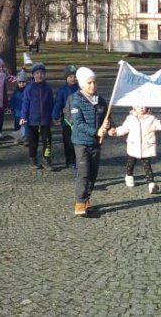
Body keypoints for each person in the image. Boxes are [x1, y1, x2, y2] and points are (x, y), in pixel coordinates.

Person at [70, 67, 110, 217]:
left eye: (94, 82)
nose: (93, 86)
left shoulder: (101, 101)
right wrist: (96, 132)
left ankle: (86, 198)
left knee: (93, 173)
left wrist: (110, 127)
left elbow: (107, 118)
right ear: (82, 84)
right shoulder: (76, 101)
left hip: (96, 143)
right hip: (81, 142)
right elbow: (78, 123)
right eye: (89, 83)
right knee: (84, 172)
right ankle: (79, 202)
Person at [109, 105, 161, 194]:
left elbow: (160, 125)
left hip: (146, 146)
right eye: (138, 106)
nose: (141, 108)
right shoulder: (130, 118)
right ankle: (129, 175)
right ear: (134, 108)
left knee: (147, 165)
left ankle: (151, 184)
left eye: (144, 106)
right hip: (134, 146)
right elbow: (124, 128)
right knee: (131, 163)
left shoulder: (151, 118)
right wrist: (115, 132)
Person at [19, 62, 57, 169]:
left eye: (42, 73)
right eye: (37, 73)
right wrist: (23, 117)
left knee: (47, 141)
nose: (39, 75)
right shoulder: (29, 88)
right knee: (33, 142)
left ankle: (46, 158)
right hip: (32, 121)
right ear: (33, 75)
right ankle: (33, 158)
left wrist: (54, 116)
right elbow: (25, 103)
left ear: (45, 75)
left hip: (45, 120)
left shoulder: (47, 88)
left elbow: (51, 103)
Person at [53, 65, 80, 169]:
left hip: (79, 121)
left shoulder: (80, 89)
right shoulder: (62, 90)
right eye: (70, 77)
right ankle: (69, 160)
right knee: (68, 142)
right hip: (67, 121)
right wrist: (55, 115)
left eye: (75, 76)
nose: (73, 79)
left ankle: (78, 160)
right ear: (66, 78)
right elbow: (58, 104)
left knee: (78, 142)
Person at [10, 70, 29, 145]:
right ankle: (17, 138)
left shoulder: (28, 91)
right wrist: (11, 107)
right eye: (20, 82)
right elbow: (12, 100)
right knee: (17, 126)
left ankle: (26, 138)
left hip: (26, 112)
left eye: (24, 82)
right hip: (17, 112)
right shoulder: (16, 92)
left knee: (26, 126)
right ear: (17, 83)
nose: (22, 84)